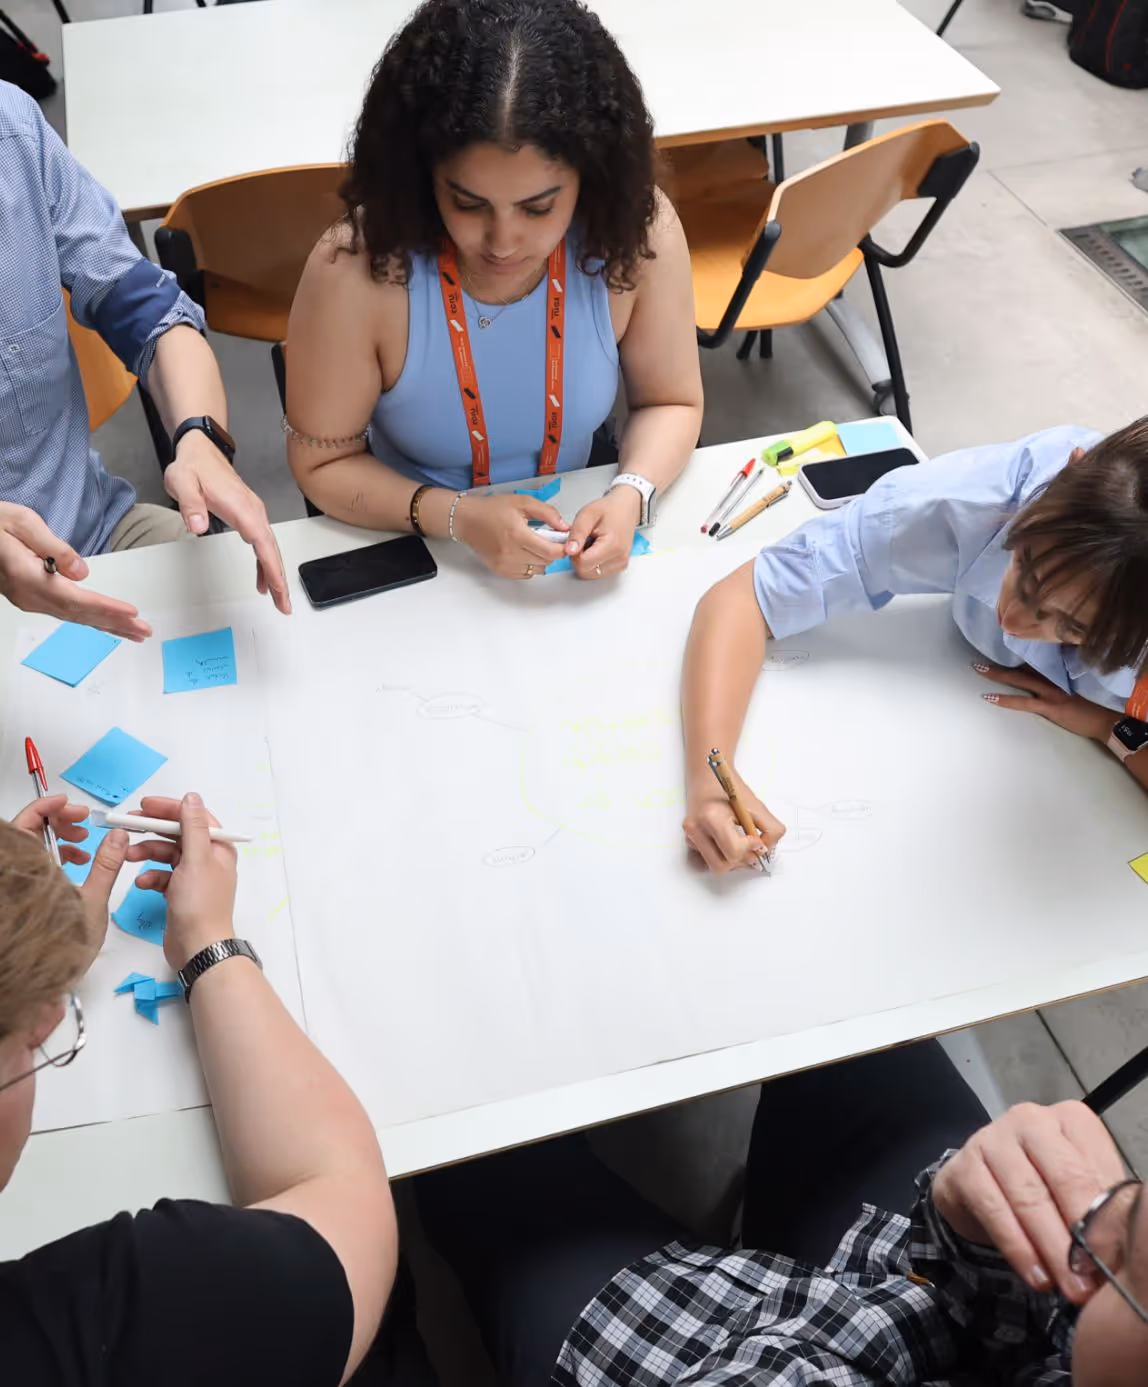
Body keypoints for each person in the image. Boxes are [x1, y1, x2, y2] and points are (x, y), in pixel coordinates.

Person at [412, 1041, 1148, 1387]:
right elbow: (1057, 1327)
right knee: (867, 1026)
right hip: (910, 1313)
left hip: (724, 1356)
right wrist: (968, 1225)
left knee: (465, 1140)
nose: (1115, 1203)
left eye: (1132, 1239)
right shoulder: (1110, 1336)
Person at [286, 0, 702, 582]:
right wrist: (456, 517)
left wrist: (631, 494)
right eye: (467, 203)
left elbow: (671, 401)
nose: (503, 243)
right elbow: (323, 463)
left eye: (539, 207)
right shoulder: (356, 269)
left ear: (592, 176)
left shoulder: (635, 233)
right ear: (421, 174)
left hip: (577, 535)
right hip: (422, 550)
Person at [0, 792, 396, 1385]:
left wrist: (28, 963)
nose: (51, 1021)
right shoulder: (114, 1321)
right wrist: (207, 938)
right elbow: (344, 1198)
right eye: (32, 1041)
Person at [681, 420, 1148, 873]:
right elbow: (747, 597)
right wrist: (710, 780)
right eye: (1025, 568)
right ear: (1068, 473)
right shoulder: (965, 501)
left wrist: (1110, 728)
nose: (1014, 620)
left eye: (1070, 626)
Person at [0, 80, 290, 640]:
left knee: (262, 631)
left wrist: (199, 437)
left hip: (96, 536)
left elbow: (153, 315)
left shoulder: (13, 131)